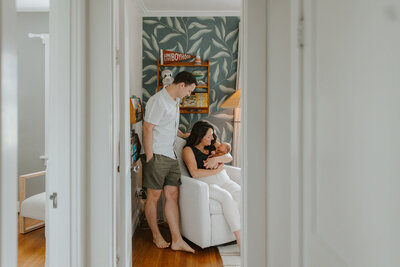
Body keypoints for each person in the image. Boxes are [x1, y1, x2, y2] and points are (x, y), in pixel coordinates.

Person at [142, 71, 196, 253]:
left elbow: (168, 124)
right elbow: (148, 128)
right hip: (156, 154)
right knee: (154, 197)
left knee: (172, 195)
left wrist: (182, 134)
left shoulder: (175, 101)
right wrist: (149, 158)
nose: (188, 95)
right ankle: (156, 235)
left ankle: (177, 240)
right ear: (181, 85)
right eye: (189, 91)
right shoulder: (158, 101)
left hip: (170, 154)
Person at [182, 121, 241, 247]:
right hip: (207, 183)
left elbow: (228, 156)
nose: (212, 138)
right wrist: (218, 169)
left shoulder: (212, 143)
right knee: (226, 198)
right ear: (200, 137)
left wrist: (216, 159)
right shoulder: (188, 150)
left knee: (241, 193)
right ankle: (240, 240)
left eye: (212, 135)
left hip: (224, 180)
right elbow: (194, 173)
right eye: (208, 136)